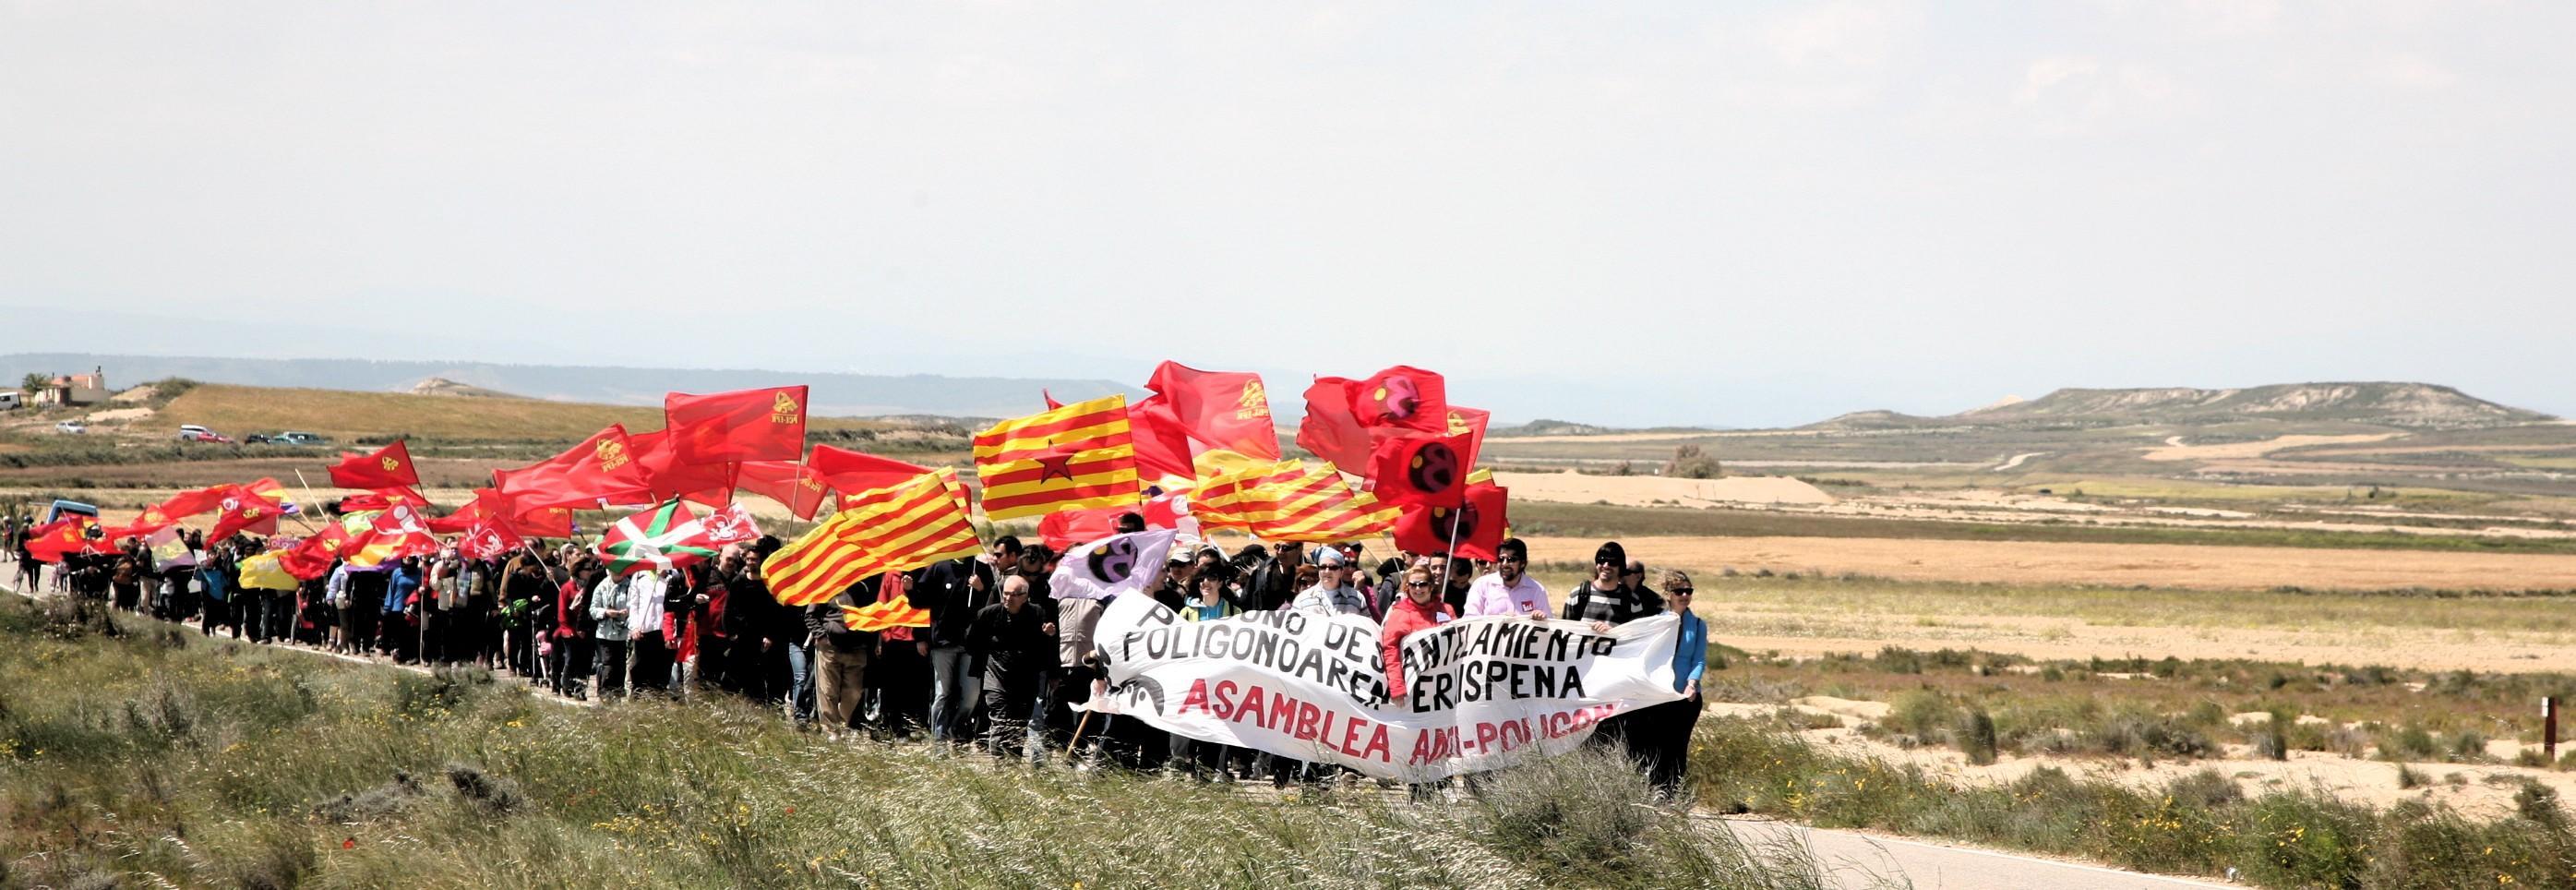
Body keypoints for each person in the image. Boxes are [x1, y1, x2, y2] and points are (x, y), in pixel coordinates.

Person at [1563, 541, 1662, 753]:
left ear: (1621, 567)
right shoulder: (1578, 595)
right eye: (1601, 560)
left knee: (1611, 737)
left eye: (1612, 562)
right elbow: (1565, 635)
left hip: (1613, 684)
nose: (1606, 565)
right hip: (1581, 680)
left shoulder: (1631, 601)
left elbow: (1637, 640)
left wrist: (1614, 633)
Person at [967, 575, 1056, 762]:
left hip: (1026, 680)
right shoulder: (987, 615)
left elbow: (1047, 647)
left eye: (1014, 595)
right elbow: (971, 642)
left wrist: (1048, 635)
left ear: (1025, 596)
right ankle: (999, 766)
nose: (1008, 598)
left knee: (1019, 726)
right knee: (1000, 723)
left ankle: (1013, 766)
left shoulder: (1037, 614)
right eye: (1006, 594)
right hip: (996, 677)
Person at [920, 548, 999, 747]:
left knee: (971, 695)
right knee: (943, 693)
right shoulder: (940, 567)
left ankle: (957, 728)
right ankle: (939, 740)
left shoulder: (981, 569)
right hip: (943, 643)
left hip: (971, 645)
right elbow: (921, 601)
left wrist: (982, 590)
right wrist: (910, 590)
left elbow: (993, 606)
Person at [1639, 570, 1707, 798]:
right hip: (1659, 695)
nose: (1685, 595)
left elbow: (1698, 658)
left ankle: (1672, 793)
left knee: (1677, 747)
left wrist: (1691, 683)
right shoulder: (1657, 623)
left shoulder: (1697, 625)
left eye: (1689, 591)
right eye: (1680, 591)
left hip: (1686, 697)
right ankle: (1655, 790)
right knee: (1654, 745)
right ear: (1669, 594)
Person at [807, 582, 872, 740]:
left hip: (857, 649)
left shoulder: (862, 587)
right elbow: (810, 615)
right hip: (830, 647)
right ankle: (831, 732)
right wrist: (821, 636)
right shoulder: (825, 585)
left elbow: (871, 614)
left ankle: (842, 724)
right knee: (828, 691)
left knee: (854, 693)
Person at [1461, 538, 1549, 619]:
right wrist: (1500, 621)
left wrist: (1541, 619)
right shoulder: (1482, 585)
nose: (1505, 564)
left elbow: (1550, 626)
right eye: (1501, 559)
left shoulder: (1537, 590)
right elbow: (1470, 619)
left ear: (1523, 563)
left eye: (1511, 560)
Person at [590, 567, 633, 699]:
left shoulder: (630, 586)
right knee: (608, 664)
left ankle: (617, 695)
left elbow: (635, 605)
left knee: (621, 666)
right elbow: (593, 609)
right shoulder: (602, 586)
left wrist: (627, 613)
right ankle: (605, 694)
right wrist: (606, 612)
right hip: (605, 633)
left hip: (624, 633)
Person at [1289, 547, 1368, 617]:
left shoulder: (1357, 598)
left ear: (1341, 571)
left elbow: (1366, 627)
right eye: (1323, 567)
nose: (1327, 571)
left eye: (1333, 567)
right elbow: (1293, 628)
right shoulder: (1302, 599)